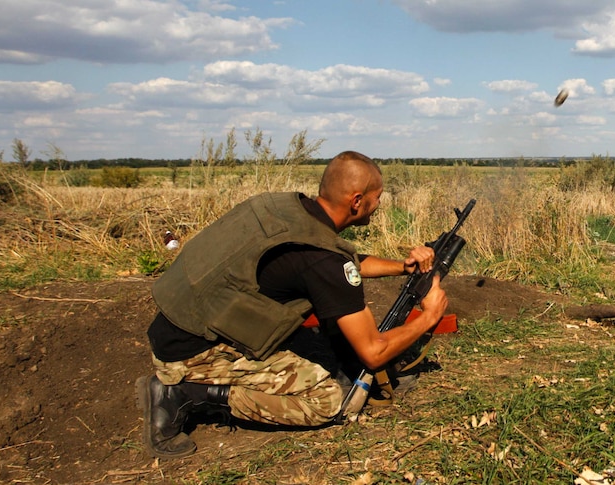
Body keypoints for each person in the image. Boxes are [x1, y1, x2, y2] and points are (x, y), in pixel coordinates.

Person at [136, 150, 448, 458]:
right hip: (193, 354)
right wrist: (429, 316)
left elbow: (338, 264)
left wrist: (401, 267)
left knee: (324, 338)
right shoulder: (322, 260)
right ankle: (185, 393)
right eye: (376, 197)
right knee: (326, 400)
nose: (378, 205)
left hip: (177, 325)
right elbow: (374, 350)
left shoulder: (285, 210)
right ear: (356, 201)